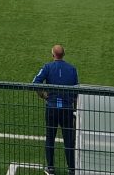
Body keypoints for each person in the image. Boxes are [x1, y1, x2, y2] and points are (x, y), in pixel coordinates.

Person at [33, 44, 78, 175]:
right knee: (69, 140)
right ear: (64, 54)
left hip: (52, 108)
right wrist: (74, 107)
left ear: (53, 54)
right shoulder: (72, 69)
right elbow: (76, 91)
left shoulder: (47, 67)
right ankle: (71, 169)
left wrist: (43, 95)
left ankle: (50, 168)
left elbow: (35, 83)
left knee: (50, 138)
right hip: (67, 109)